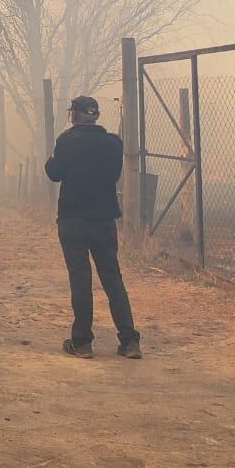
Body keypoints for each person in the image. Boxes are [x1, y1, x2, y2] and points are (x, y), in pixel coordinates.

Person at [44, 95, 142, 359]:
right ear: (96, 116)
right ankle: (130, 341)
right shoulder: (113, 144)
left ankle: (82, 342)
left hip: (72, 219)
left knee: (81, 278)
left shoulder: (66, 141)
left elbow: (53, 173)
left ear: (74, 115)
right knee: (112, 277)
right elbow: (114, 176)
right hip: (103, 220)